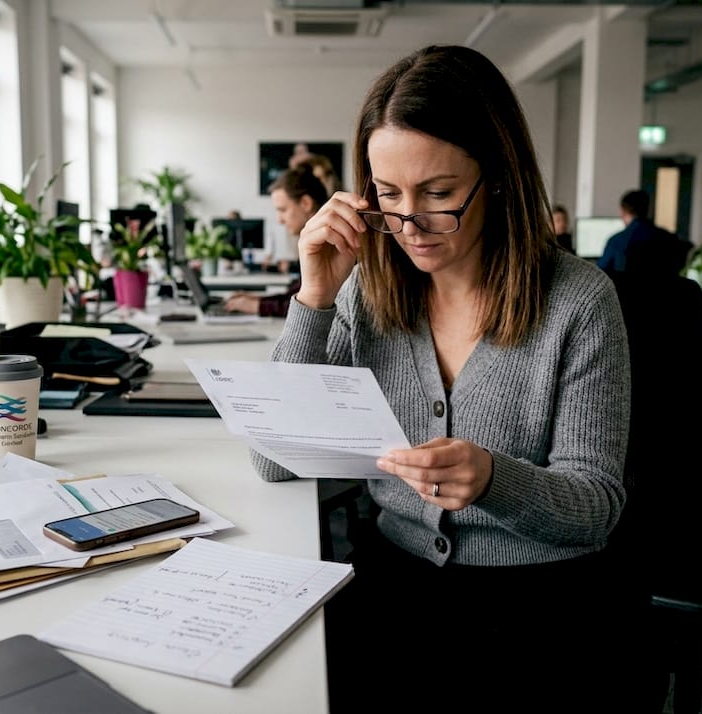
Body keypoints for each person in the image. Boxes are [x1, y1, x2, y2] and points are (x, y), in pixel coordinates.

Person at [249, 45, 637, 710]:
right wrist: (313, 299)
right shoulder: (367, 290)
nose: (410, 224)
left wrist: (493, 479)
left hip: (538, 605)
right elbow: (274, 461)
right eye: (389, 195)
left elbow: (596, 511)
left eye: (438, 193)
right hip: (394, 586)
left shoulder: (578, 301)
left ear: (498, 176)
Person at [222, 165, 326, 317]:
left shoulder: (330, 243)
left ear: (306, 203)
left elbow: (309, 305)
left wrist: (257, 306)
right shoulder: (317, 239)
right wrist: (259, 300)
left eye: (283, 210)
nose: (280, 220)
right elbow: (298, 295)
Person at [596, 189, 687, 276]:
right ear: (647, 210)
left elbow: (600, 273)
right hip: (662, 291)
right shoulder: (669, 238)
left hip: (626, 291)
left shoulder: (616, 241)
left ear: (623, 211)